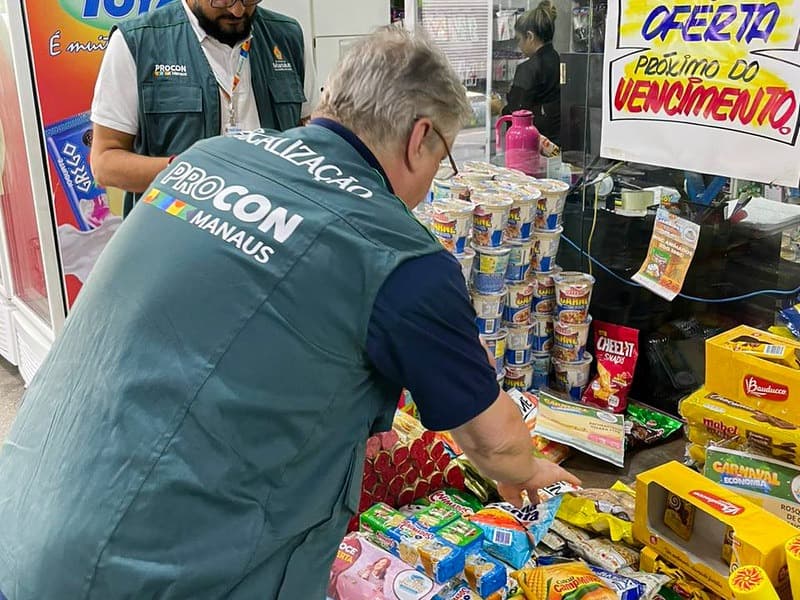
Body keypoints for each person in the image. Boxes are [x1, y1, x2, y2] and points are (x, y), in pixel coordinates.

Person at [0, 27, 578, 598]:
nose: (433, 183)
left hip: (23, 507)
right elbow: (493, 444)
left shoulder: (208, 158)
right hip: (145, 572)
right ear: (419, 137)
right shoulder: (400, 256)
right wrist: (527, 472)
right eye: (443, 158)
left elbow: (226, 328)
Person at [90, 0, 317, 217]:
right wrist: (194, 171)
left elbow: (310, 134)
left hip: (273, 232)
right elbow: (105, 163)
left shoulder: (288, 36)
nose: (238, 11)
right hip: (180, 235)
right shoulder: (137, 42)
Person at [502, 0, 561, 145]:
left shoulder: (528, 69)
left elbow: (517, 113)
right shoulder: (557, 59)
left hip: (532, 142)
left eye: (519, 39)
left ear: (530, 36)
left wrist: (499, 108)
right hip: (556, 139)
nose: (519, 45)